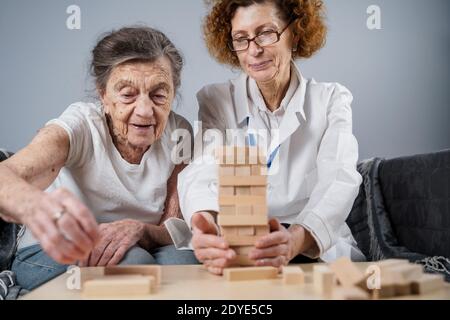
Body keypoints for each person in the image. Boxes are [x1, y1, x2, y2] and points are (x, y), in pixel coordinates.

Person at [0, 26, 198, 291]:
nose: (144, 110)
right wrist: (38, 208)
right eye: (127, 94)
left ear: (173, 93)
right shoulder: (80, 125)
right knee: (131, 265)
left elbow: (175, 225)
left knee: (186, 261)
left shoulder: (179, 132)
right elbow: (5, 177)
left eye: (159, 94)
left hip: (140, 243)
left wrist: (141, 230)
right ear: (103, 95)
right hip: (52, 249)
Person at [178, 0, 365, 275]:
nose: (254, 50)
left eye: (266, 33)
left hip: (309, 238)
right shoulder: (217, 100)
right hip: (239, 241)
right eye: (241, 39)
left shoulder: (331, 99)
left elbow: (339, 179)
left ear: (296, 33)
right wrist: (204, 218)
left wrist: (296, 239)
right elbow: (202, 170)